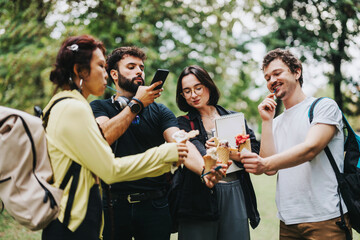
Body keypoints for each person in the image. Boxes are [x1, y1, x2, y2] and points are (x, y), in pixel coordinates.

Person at [42, 35, 189, 240]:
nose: (104, 73)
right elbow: (109, 170)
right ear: (79, 71)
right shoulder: (76, 108)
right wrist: (165, 154)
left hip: (84, 216)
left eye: (142, 67)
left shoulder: (65, 103)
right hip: (75, 220)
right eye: (101, 66)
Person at [90, 47, 226, 240]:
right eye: (131, 67)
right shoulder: (99, 107)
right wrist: (137, 104)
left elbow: (181, 141)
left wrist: (204, 170)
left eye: (141, 67)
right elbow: (103, 137)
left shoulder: (160, 111)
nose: (139, 71)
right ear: (114, 74)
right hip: (115, 205)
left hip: (155, 205)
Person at [240, 48, 352, 239]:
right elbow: (270, 169)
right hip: (288, 222)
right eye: (267, 78)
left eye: (277, 73)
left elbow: (310, 149)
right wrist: (266, 121)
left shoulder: (323, 106)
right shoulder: (275, 122)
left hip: (326, 218)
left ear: (297, 72)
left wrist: (265, 163)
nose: (271, 81)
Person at [175, 65, 260, 240]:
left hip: (235, 188)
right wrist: (212, 152)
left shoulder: (233, 118)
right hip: (198, 194)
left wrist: (228, 150)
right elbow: (195, 152)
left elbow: (254, 151)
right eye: (187, 91)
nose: (194, 95)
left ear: (208, 85)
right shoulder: (182, 123)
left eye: (198, 88)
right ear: (182, 95)